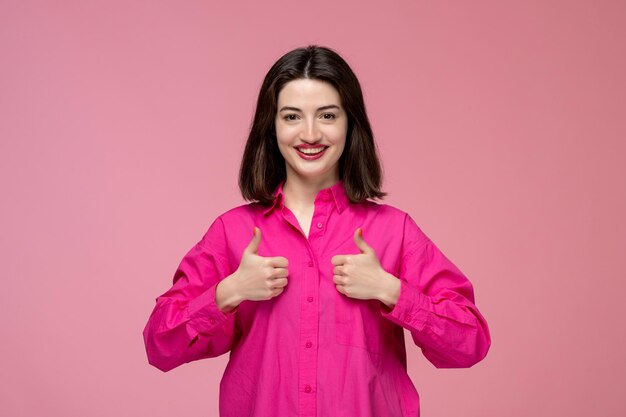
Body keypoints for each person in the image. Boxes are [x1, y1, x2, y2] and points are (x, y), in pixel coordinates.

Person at [142, 45, 491, 417]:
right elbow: (159, 347)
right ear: (271, 126)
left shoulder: (394, 231)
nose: (310, 134)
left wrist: (390, 290)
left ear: (350, 123)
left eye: (327, 115)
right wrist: (230, 291)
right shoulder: (232, 232)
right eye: (292, 116)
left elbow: (469, 344)